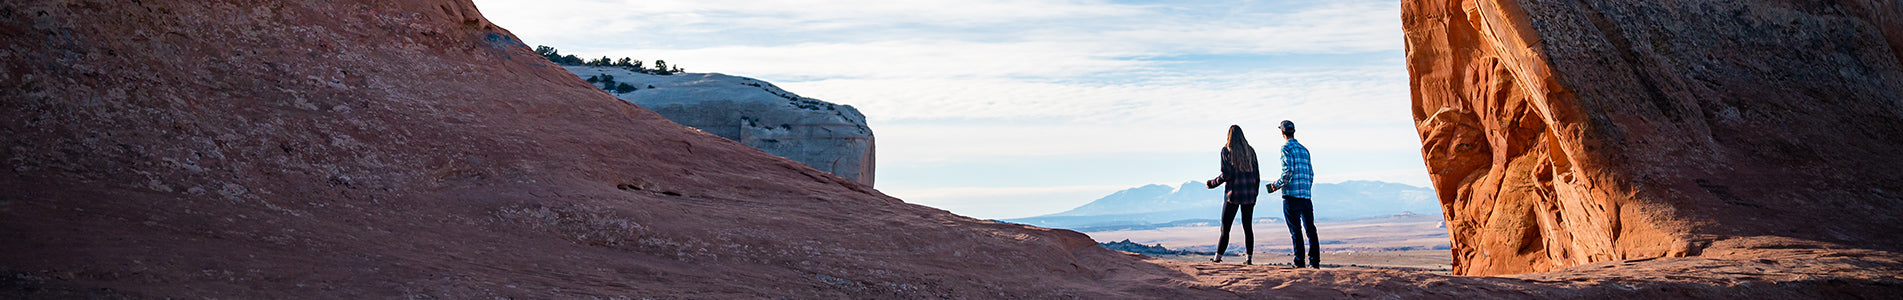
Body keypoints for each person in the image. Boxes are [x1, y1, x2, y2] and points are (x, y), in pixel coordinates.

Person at [1204, 125, 1260, 265]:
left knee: (1225, 227)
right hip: (1249, 195)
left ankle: (1217, 258)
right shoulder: (1250, 151)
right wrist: (1255, 193)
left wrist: (1213, 183)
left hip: (1233, 195)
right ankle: (1249, 259)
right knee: (1248, 227)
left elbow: (1227, 174)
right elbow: (1257, 175)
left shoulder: (1226, 150)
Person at [1266, 120, 1318, 269]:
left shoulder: (1286, 149)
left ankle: (1299, 262)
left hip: (1291, 195)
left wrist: (1275, 185)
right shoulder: (1304, 150)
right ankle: (1315, 262)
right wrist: (1307, 188)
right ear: (1293, 131)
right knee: (1310, 230)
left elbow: (1288, 172)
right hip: (1306, 195)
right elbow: (1311, 173)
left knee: (1296, 230)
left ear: (1282, 133)